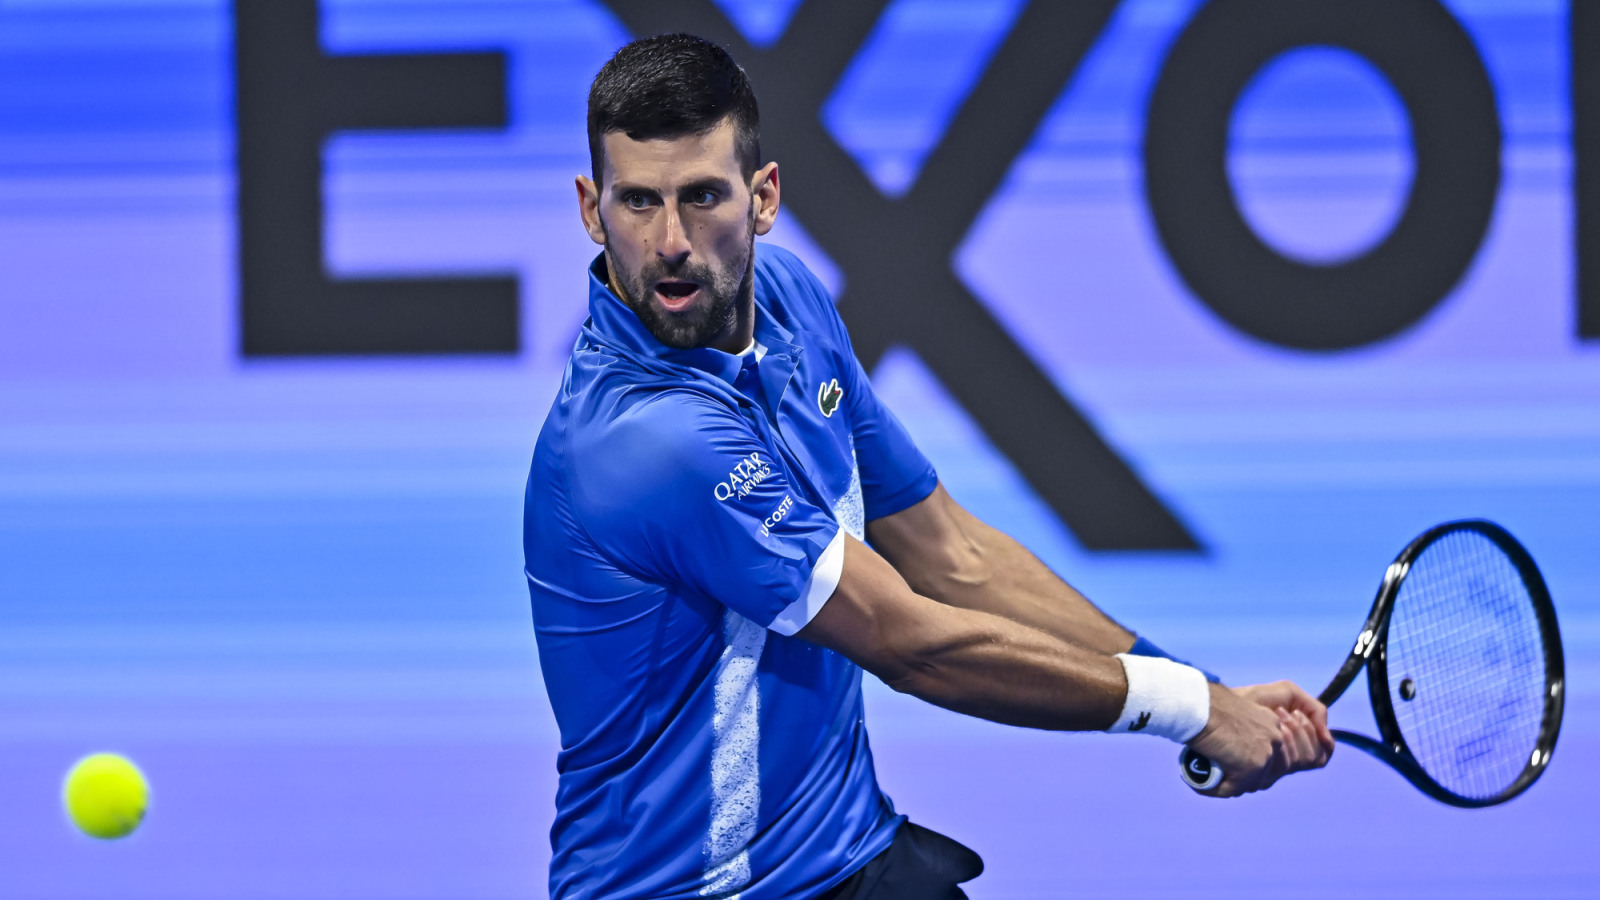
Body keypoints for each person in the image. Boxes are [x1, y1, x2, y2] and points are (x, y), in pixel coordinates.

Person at [523, 33, 1333, 900]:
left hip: (846, 853)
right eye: (638, 201)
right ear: (589, 207)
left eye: (704, 197)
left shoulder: (790, 300)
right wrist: (1191, 710)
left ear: (764, 199)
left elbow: (953, 556)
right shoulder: (644, 441)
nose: (671, 241)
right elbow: (912, 645)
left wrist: (1205, 697)